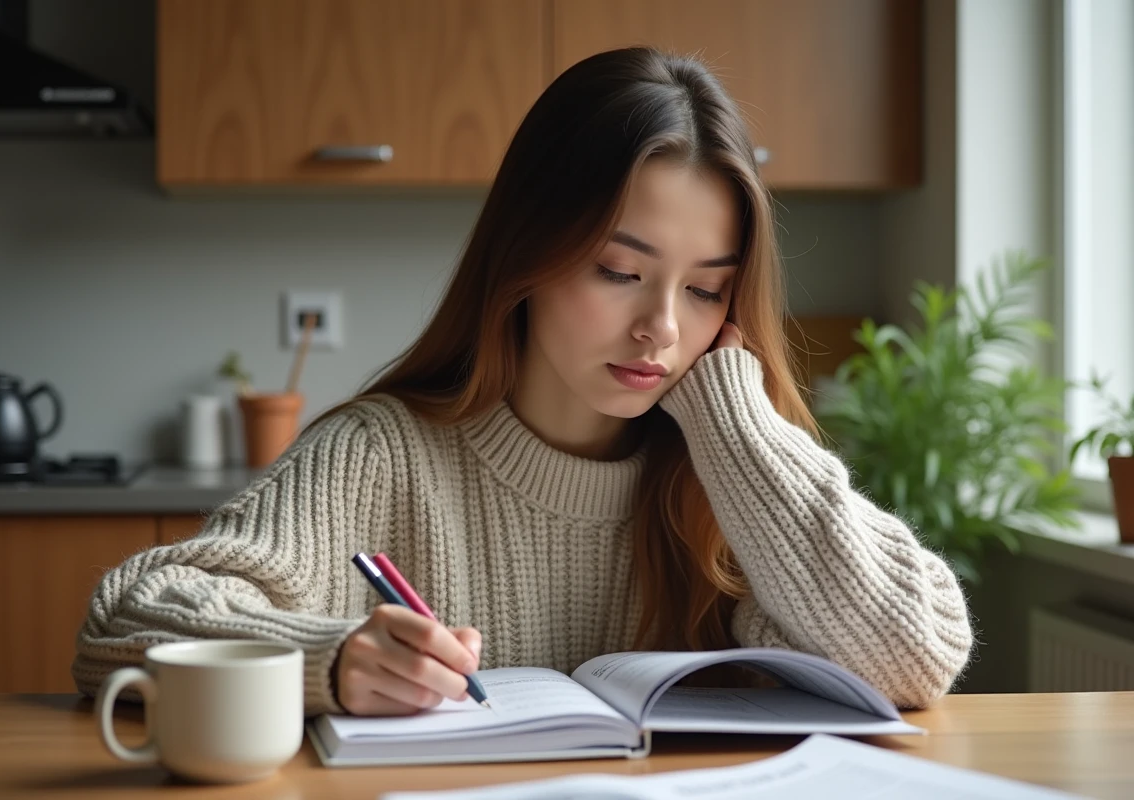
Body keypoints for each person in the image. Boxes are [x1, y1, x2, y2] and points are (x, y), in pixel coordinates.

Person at [74, 47, 973, 717]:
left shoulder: (731, 477)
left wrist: (732, 423)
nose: (662, 328)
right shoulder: (382, 454)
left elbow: (917, 655)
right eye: (619, 272)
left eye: (705, 290)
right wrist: (332, 658)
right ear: (530, 256)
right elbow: (128, 618)